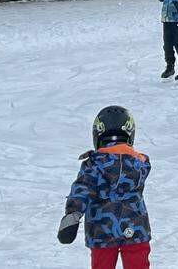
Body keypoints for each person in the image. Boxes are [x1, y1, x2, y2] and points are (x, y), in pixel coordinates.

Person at [58, 106, 151, 268]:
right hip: (135, 227)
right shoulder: (140, 163)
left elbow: (83, 190)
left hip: (102, 228)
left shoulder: (94, 163)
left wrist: (73, 214)